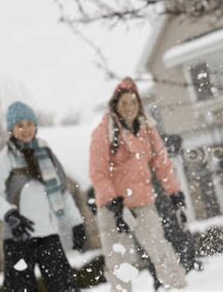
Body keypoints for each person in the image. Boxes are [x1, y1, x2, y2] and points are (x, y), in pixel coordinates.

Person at [89, 77, 187, 291]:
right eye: (124, 103)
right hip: (112, 207)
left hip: (143, 203)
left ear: (139, 105)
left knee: (160, 250)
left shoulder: (147, 130)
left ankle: (178, 287)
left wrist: (175, 192)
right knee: (119, 262)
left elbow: (162, 164)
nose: (129, 108)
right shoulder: (103, 132)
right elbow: (98, 173)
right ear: (115, 105)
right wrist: (114, 204)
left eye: (133, 102)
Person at [0, 101, 85, 291]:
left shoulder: (46, 154)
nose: (26, 129)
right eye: (19, 125)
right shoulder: (5, 159)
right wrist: (10, 214)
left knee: (64, 287)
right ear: (12, 129)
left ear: (35, 125)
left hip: (48, 235)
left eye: (29, 123)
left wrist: (77, 224)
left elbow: (62, 192)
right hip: (17, 237)